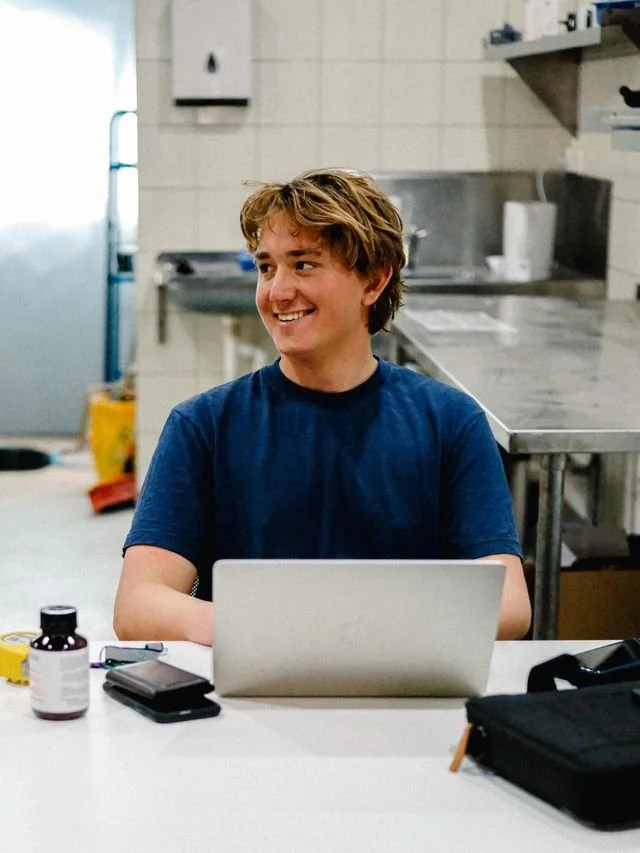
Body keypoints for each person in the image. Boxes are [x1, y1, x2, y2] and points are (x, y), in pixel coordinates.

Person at [113, 168, 532, 645]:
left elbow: (510, 605)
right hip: (253, 694)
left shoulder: (450, 423)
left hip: (402, 692)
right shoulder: (205, 425)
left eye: (304, 264)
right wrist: (277, 630)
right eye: (267, 267)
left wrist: (357, 634)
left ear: (373, 281)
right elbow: (138, 604)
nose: (277, 291)